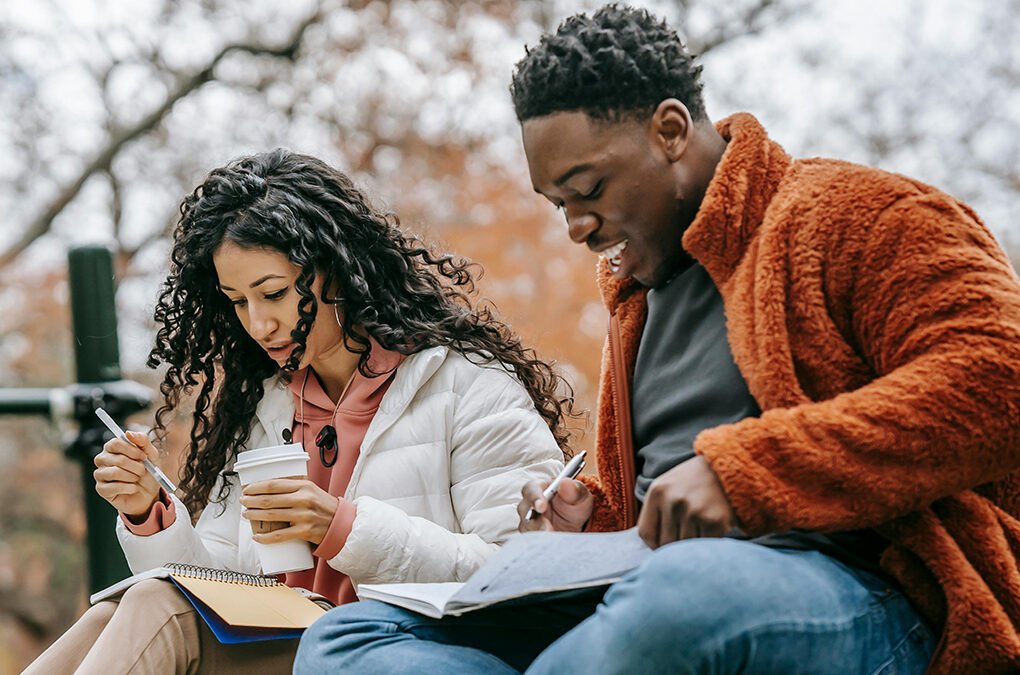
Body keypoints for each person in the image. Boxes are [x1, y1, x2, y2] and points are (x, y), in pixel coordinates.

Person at [294, 5, 1020, 675]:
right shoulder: (637, 299)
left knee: (679, 597)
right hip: (650, 585)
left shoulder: (858, 216)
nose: (576, 228)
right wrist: (587, 517)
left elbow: (998, 378)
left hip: (863, 587)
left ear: (670, 130)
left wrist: (743, 471)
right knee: (352, 636)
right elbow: (655, 503)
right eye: (558, 205)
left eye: (589, 189)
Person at [24, 149, 569, 674]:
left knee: (153, 608)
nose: (258, 324)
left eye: (274, 293)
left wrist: (343, 528)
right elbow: (214, 583)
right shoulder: (263, 408)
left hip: (397, 650)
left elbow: (517, 571)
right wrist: (150, 515)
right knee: (119, 610)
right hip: (284, 646)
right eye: (239, 302)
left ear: (337, 269)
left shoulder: (465, 386)